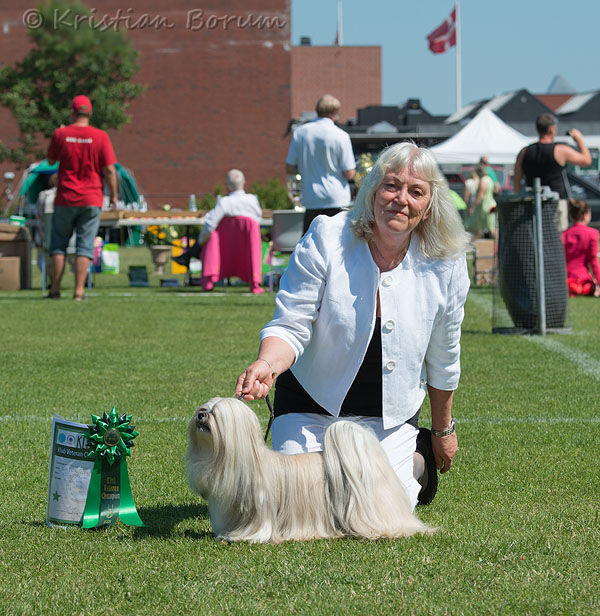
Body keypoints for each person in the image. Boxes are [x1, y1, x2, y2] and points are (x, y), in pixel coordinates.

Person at [236, 142, 471, 510]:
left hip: (388, 415)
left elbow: (444, 356)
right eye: (391, 185)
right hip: (312, 404)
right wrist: (267, 364)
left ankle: (416, 456)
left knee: (375, 509)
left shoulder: (446, 263)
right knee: (299, 505)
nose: (401, 199)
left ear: (428, 208)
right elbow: (291, 322)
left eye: (416, 192)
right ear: (373, 191)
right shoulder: (327, 236)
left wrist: (442, 431)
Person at [47, 95, 118, 300]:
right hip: (91, 198)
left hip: (66, 197)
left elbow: (51, 161)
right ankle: (79, 292)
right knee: (85, 246)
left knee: (59, 245)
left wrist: (60, 136)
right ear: (90, 113)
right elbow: (110, 170)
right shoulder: (100, 136)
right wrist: (113, 196)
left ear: (72, 112)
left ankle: (55, 290)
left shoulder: (61, 134)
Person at [285, 94, 356, 233]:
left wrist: (308, 168)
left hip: (312, 197)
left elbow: (290, 167)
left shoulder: (300, 133)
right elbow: (349, 173)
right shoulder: (341, 135)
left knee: (310, 242)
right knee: (338, 243)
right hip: (337, 198)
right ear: (335, 113)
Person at [513, 113, 591, 231]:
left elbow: (516, 183)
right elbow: (586, 160)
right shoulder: (560, 150)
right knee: (555, 239)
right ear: (552, 129)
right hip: (556, 203)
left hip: (532, 203)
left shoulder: (524, 152)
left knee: (535, 237)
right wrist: (579, 140)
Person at [173, 169, 262, 268]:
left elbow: (211, 224)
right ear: (244, 183)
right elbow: (258, 220)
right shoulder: (252, 200)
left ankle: (190, 253)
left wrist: (201, 242)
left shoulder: (225, 202)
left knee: (209, 232)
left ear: (227, 186)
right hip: (248, 246)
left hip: (225, 248)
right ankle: (190, 254)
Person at [561, 200, 600, 297]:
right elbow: (593, 261)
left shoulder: (563, 235)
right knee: (588, 287)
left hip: (565, 280)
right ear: (585, 215)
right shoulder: (592, 234)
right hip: (582, 280)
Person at [465, 164, 496, 239]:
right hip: (491, 205)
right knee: (485, 228)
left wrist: (473, 207)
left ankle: (498, 247)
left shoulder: (483, 180)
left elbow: (480, 196)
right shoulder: (489, 179)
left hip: (485, 207)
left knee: (490, 229)